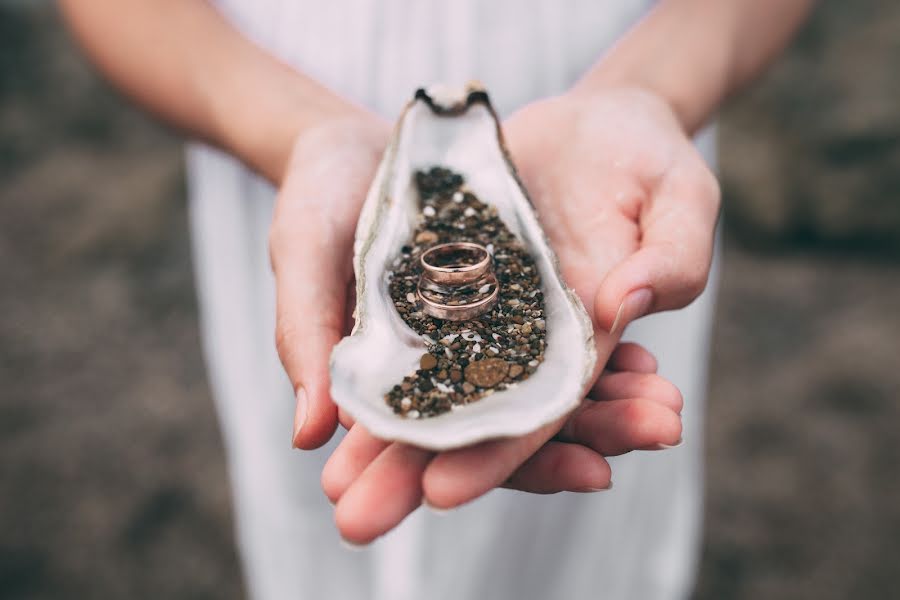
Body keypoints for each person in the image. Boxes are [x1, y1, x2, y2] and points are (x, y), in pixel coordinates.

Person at [59, 1, 813, 598]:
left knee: (589, 555)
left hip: (600, 191)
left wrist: (647, 90)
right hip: (280, 135)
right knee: (312, 523)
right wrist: (298, 133)